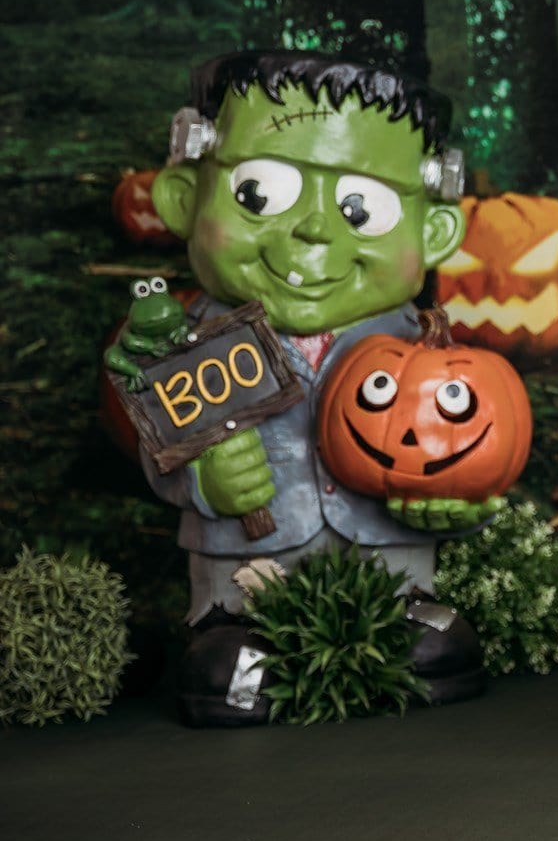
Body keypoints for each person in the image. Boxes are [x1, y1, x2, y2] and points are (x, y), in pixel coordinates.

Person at [140, 50, 500, 726]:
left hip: (385, 564)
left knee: (431, 639)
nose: (311, 227)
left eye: (360, 207)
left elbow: (471, 443)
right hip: (247, 571)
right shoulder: (199, 348)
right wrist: (204, 482)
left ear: (435, 232)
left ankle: (399, 624)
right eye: (259, 194)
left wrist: (457, 496)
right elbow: (163, 449)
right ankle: (232, 633)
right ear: (185, 199)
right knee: (229, 664)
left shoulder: (425, 351)